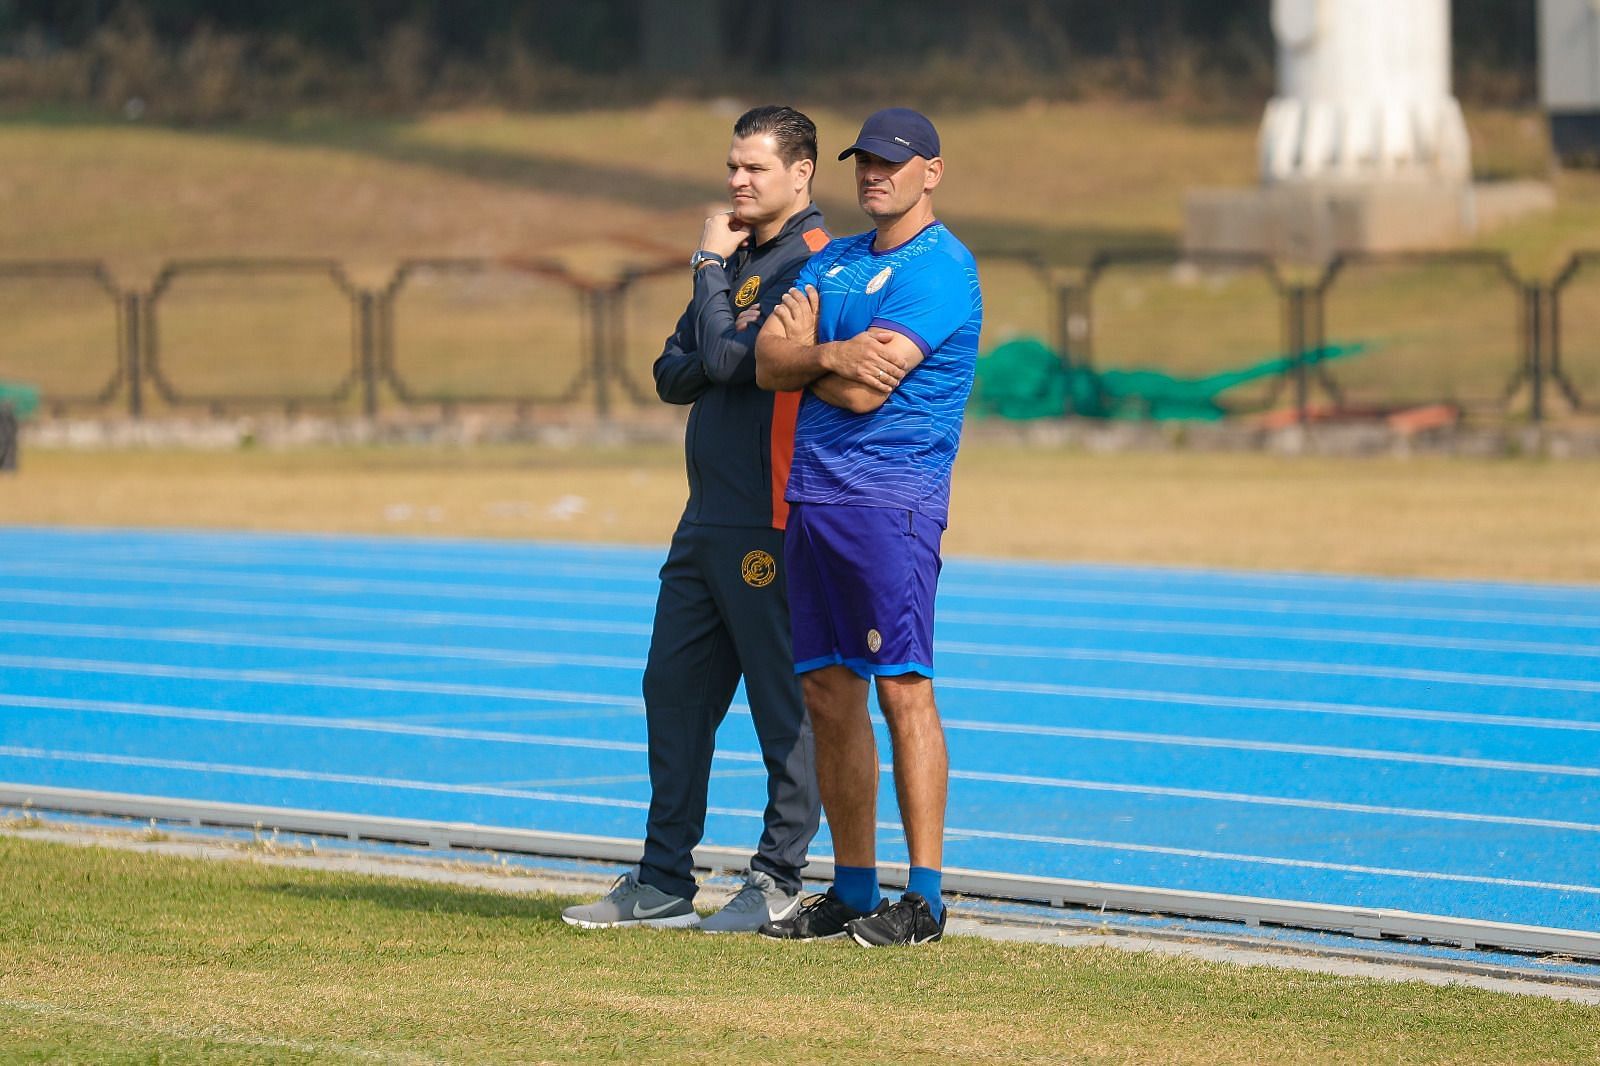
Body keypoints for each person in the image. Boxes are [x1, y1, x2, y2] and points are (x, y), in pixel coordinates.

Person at [562, 106, 830, 933]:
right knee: (672, 689)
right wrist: (722, 315)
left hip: (770, 516)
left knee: (782, 707)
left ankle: (778, 876)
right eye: (731, 167)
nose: (736, 183)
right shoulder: (739, 264)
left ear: (801, 174)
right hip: (704, 518)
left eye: (753, 169)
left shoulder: (815, 263)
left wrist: (707, 269)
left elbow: (715, 358)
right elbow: (674, 371)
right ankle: (663, 878)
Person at [751, 107, 982, 946]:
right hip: (815, 501)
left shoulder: (944, 270)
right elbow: (767, 361)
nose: (874, 173)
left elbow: (865, 390)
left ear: (933, 171)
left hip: (893, 506)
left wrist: (816, 362)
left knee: (901, 687)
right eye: (865, 161)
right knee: (827, 692)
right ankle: (851, 889)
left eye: (892, 161)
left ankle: (923, 898)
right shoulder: (840, 258)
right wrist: (828, 358)